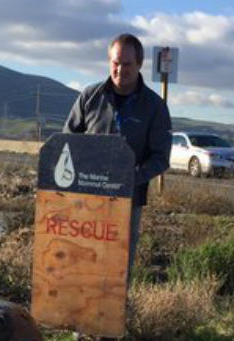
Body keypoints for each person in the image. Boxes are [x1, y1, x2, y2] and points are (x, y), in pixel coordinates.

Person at [64, 33, 172, 273]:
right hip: (86, 200)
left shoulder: (155, 106)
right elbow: (68, 142)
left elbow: (161, 158)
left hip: (126, 202)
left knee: (117, 269)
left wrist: (129, 177)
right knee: (81, 263)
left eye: (127, 64)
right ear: (108, 61)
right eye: (115, 63)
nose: (120, 69)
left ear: (139, 64)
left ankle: (116, 310)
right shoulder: (90, 97)